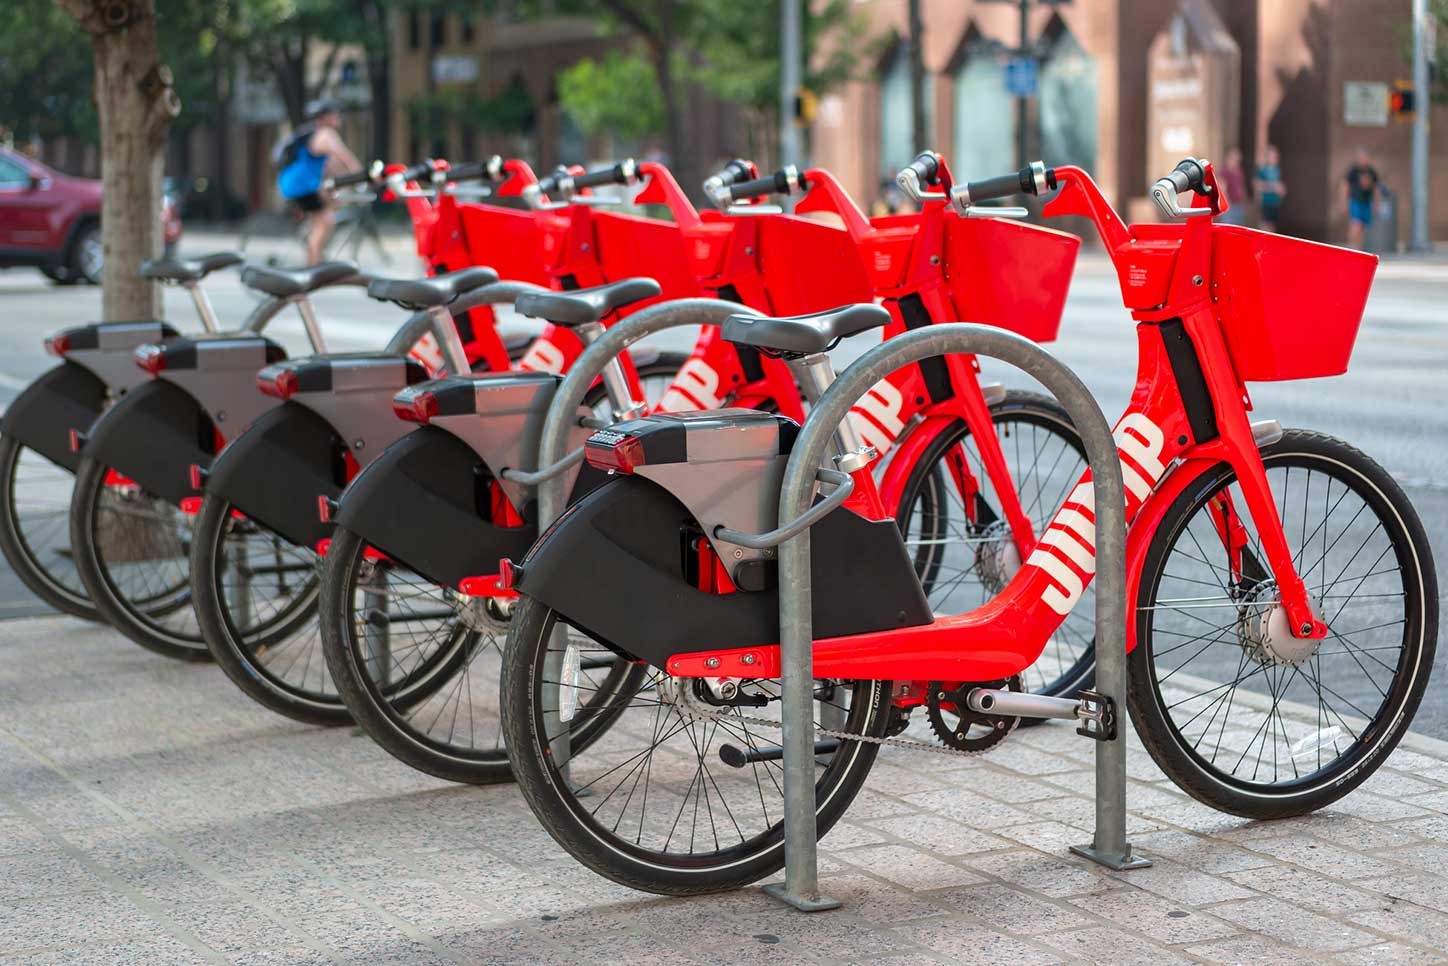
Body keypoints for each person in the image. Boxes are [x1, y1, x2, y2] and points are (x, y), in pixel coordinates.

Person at [275, 100, 362, 264]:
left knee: (332, 201)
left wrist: (346, 179)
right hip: (301, 186)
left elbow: (331, 167)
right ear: (324, 118)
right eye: (334, 114)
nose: (338, 117)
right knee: (325, 220)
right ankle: (314, 264)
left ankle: (311, 239)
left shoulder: (313, 135)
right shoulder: (326, 135)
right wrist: (363, 176)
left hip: (295, 184)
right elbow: (345, 158)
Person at [1343, 147, 1381, 251]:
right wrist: (1344, 201)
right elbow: (1346, 186)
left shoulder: (1372, 172)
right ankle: (1351, 245)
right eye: (1361, 158)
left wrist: (1377, 204)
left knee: (1363, 226)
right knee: (1356, 223)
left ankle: (1359, 248)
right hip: (1356, 201)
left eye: (1365, 158)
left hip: (1367, 202)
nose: (1363, 160)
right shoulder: (1353, 171)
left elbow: (1376, 189)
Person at [1253, 145, 1286, 233]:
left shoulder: (1277, 170)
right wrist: (1273, 187)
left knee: (1272, 226)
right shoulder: (1262, 170)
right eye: (1272, 156)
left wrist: (1281, 190)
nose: (1274, 158)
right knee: (1265, 225)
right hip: (1266, 201)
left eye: (1275, 156)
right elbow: (1257, 185)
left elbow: (1279, 186)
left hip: (1275, 202)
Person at [1218, 147, 1249, 226]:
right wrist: (1227, 204)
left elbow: (1241, 187)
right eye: (1234, 159)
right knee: (1228, 227)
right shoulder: (1224, 171)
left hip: (1238, 205)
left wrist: (1244, 201)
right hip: (1230, 205)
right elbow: (1222, 187)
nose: (1236, 161)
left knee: (1238, 228)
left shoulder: (1239, 171)